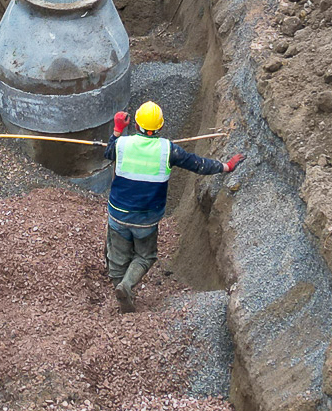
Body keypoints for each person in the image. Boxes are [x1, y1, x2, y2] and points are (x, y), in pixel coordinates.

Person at [102, 100, 244, 311]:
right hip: (146, 218)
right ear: (160, 127)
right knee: (145, 256)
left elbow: (108, 152)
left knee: (117, 256)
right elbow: (198, 164)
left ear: (136, 125)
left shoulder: (122, 145)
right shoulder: (169, 150)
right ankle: (127, 285)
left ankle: (119, 287)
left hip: (119, 213)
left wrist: (117, 130)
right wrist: (226, 166)